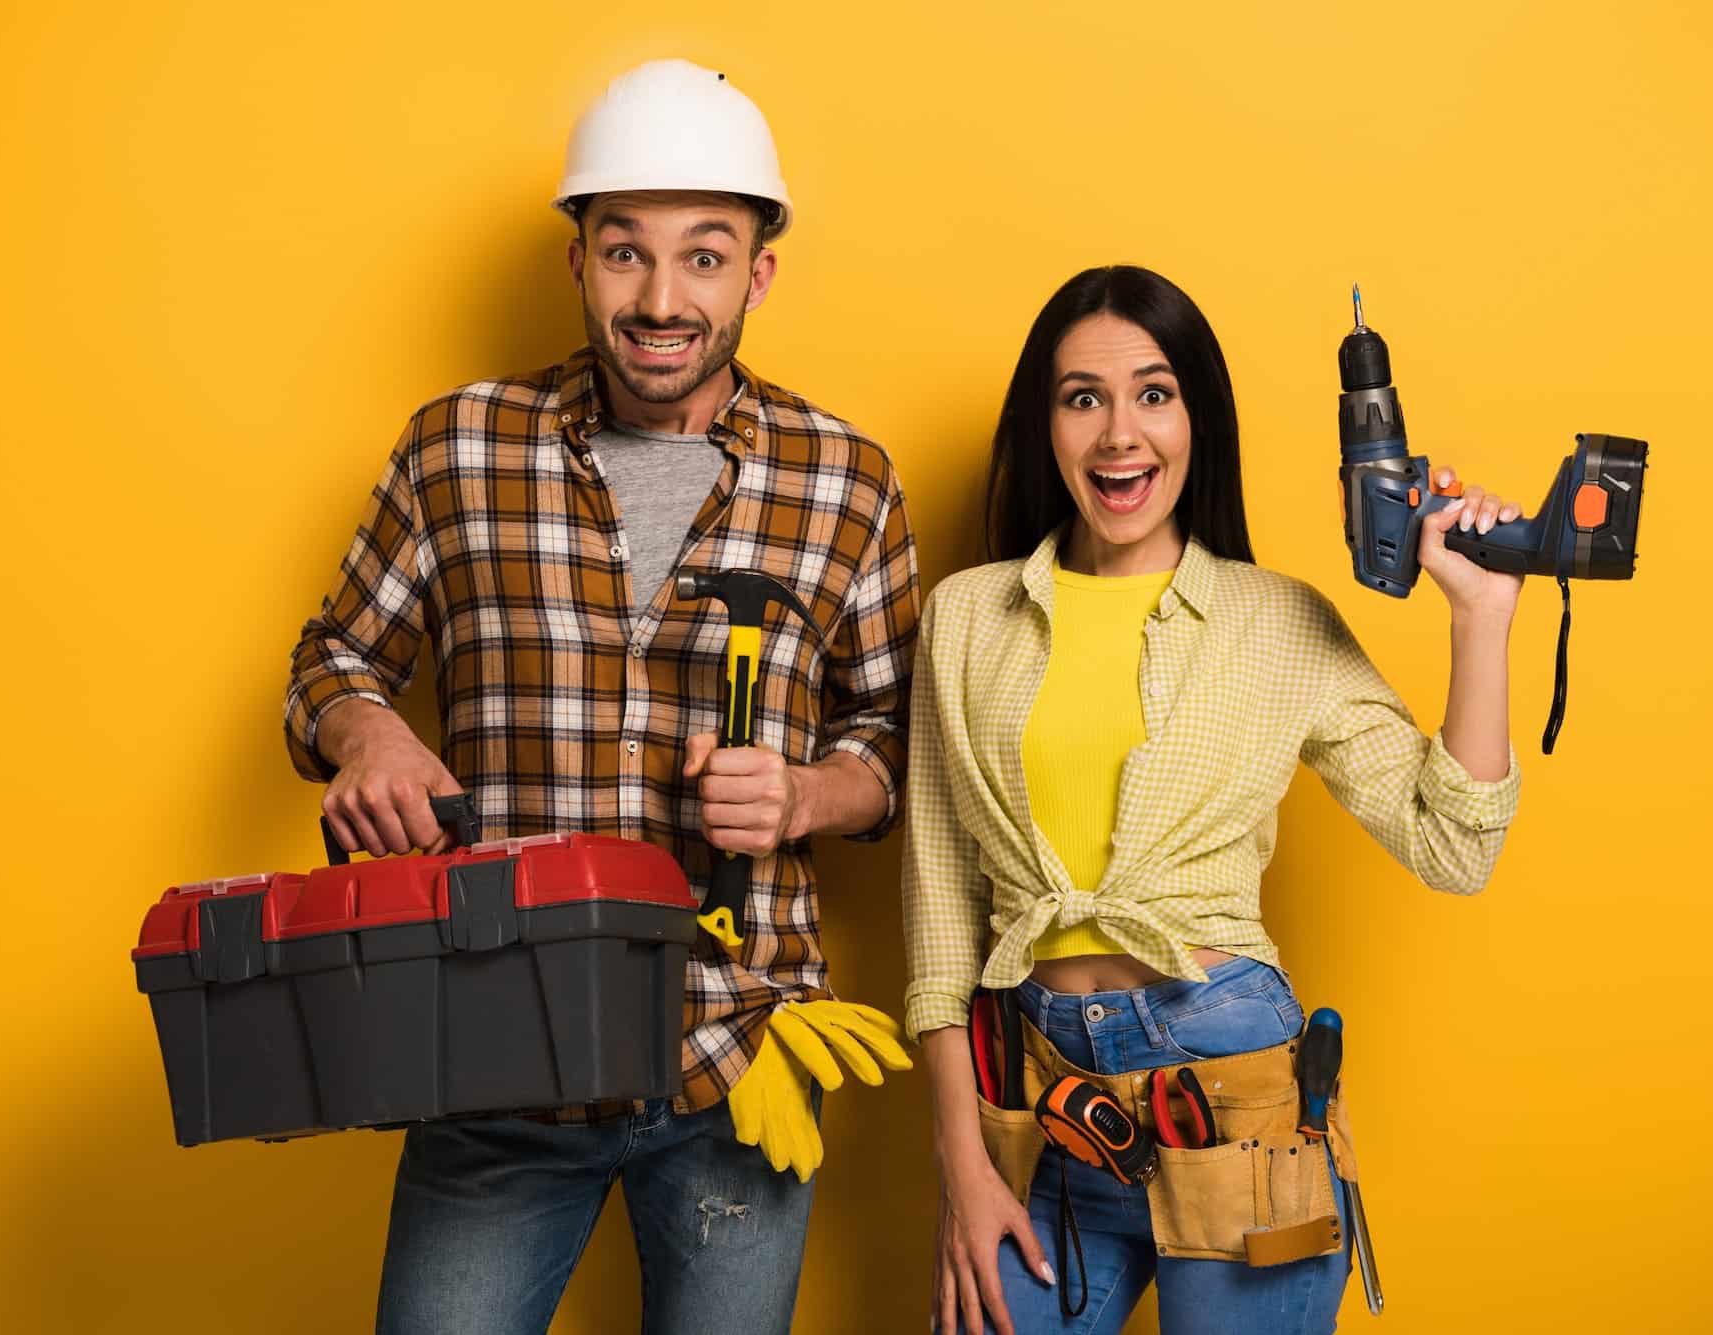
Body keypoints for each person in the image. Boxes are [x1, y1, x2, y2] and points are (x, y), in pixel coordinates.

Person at [283, 60, 918, 1335]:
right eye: (625, 252)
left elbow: (891, 746)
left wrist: (805, 791)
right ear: (576, 259)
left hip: (735, 1059)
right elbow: (329, 664)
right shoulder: (456, 445)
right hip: (494, 1049)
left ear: (757, 273)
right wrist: (370, 732)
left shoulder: (845, 480)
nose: (662, 299)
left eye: (704, 255)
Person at [902, 266, 1524, 1335]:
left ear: (1197, 417)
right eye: (1080, 397)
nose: (1117, 436)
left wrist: (1480, 618)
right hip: (1036, 1109)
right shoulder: (965, 618)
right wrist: (962, 1167)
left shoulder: (1277, 623)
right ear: (1042, 424)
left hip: (1232, 1095)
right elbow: (937, 923)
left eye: (1153, 393)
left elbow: (1450, 848)